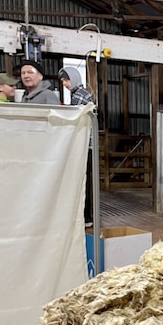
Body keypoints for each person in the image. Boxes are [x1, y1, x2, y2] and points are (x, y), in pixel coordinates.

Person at [57, 66, 96, 226]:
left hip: (84, 145)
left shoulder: (79, 96)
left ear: (73, 79)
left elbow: (74, 120)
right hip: (87, 145)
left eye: (66, 80)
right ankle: (84, 216)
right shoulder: (82, 94)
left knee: (82, 180)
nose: (65, 84)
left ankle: (85, 217)